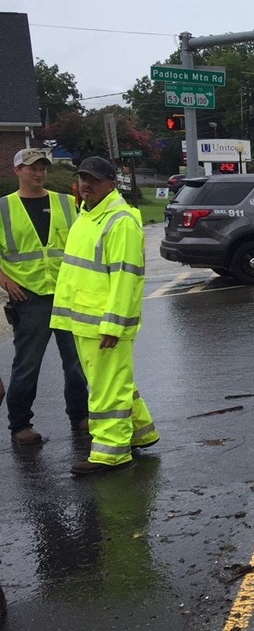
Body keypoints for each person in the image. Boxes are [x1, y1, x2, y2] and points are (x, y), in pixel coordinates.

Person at [50, 156, 158, 475]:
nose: (86, 185)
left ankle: (110, 453)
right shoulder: (88, 215)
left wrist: (114, 324)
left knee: (106, 388)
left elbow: (127, 278)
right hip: (85, 320)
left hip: (103, 324)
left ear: (112, 184)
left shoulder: (120, 220)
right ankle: (141, 431)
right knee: (113, 381)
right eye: (83, 178)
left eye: (94, 180)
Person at [2, 148, 89, 445]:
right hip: (30, 298)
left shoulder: (66, 203)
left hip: (66, 294)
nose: (38, 173)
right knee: (27, 364)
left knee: (76, 361)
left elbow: (84, 243)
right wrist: (4, 279)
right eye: (31, 168)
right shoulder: (3, 208)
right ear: (17, 171)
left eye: (42, 168)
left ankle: (80, 417)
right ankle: (20, 426)